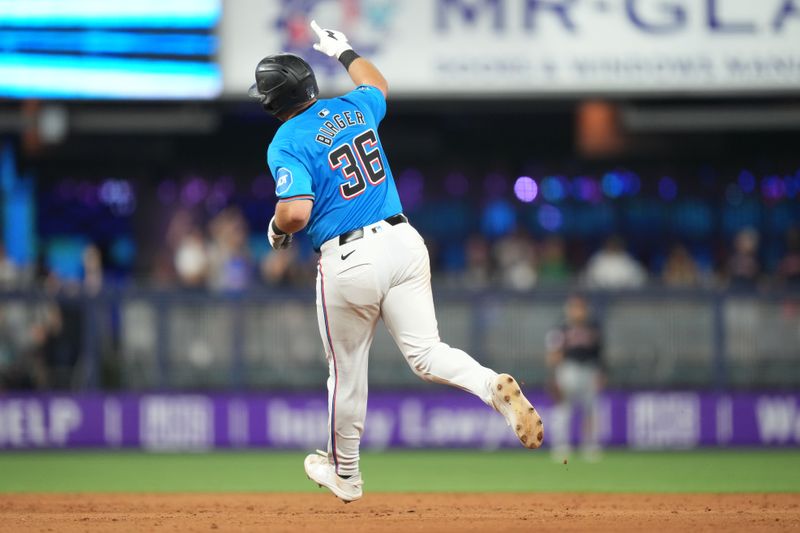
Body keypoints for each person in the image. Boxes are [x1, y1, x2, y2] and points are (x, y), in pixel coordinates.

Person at [250, 20, 543, 502]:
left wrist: (277, 229)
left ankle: (346, 474)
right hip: (404, 239)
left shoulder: (286, 141)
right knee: (428, 353)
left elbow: (297, 210)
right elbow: (377, 84)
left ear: (269, 103)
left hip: (349, 257)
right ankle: (492, 386)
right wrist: (343, 50)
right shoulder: (351, 106)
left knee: (346, 373)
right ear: (311, 85)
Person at [546, 294, 604, 461]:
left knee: (591, 409)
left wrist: (601, 373)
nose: (578, 311)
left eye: (581, 307)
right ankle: (561, 446)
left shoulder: (593, 327)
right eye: (574, 307)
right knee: (563, 409)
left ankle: (590, 446)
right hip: (568, 369)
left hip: (589, 369)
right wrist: (553, 376)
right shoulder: (561, 327)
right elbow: (553, 354)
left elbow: (599, 353)